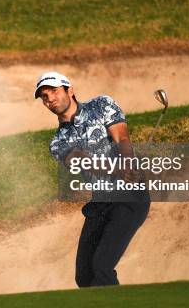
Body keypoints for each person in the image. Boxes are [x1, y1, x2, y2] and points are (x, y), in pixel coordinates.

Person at [34, 71, 150, 287]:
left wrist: (127, 163)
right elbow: (85, 161)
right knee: (84, 277)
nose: (49, 98)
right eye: (44, 96)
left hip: (130, 198)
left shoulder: (102, 104)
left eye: (54, 91)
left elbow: (121, 137)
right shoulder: (57, 142)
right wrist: (118, 170)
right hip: (101, 202)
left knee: (102, 267)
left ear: (70, 90)